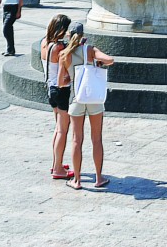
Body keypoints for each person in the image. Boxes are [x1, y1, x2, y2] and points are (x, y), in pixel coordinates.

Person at [58, 22, 115, 190]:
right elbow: (110, 60)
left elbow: (61, 82)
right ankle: (99, 178)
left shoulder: (64, 54)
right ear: (83, 35)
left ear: (69, 35)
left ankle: (77, 180)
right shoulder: (89, 49)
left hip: (77, 99)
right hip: (94, 99)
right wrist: (97, 64)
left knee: (77, 140)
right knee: (96, 139)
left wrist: (72, 77)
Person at [41, 13, 73, 178]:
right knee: (62, 131)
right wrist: (71, 76)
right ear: (62, 29)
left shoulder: (44, 43)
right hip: (61, 91)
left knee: (58, 129)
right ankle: (58, 170)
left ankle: (57, 163)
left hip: (49, 89)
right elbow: (62, 79)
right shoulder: (60, 48)